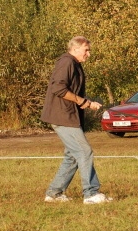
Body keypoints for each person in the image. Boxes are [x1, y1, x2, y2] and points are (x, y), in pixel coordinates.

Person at [41, 36, 113, 204]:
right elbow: (58, 88)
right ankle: (91, 194)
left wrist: (88, 103)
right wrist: (82, 101)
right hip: (62, 116)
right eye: (86, 50)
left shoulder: (74, 64)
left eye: (89, 50)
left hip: (68, 115)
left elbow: (71, 92)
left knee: (72, 156)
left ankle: (54, 193)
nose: (88, 54)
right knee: (84, 151)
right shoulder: (67, 62)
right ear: (75, 49)